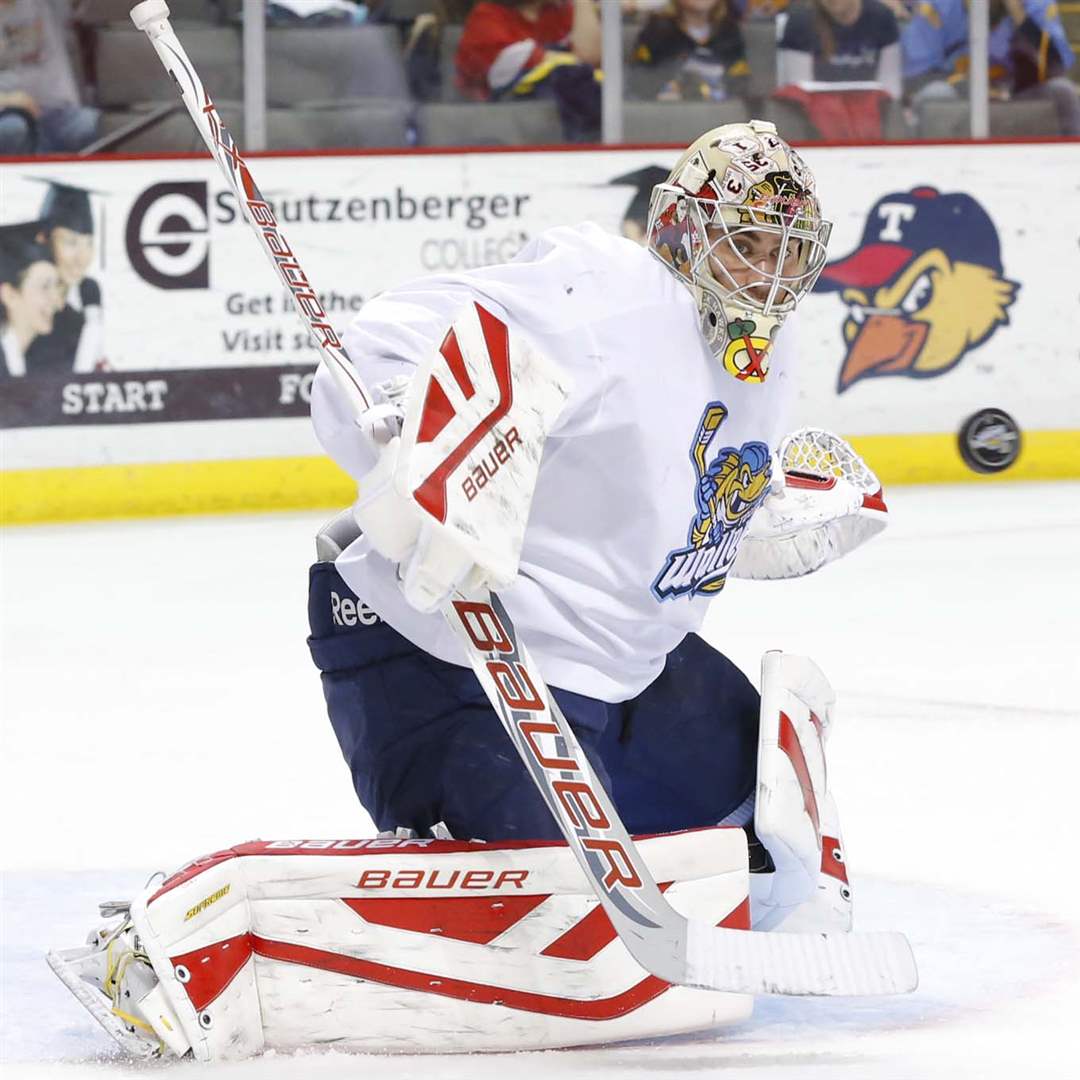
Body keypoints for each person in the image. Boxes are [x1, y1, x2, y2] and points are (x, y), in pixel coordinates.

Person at [306, 121, 881, 855]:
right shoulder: (614, 292)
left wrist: (748, 518)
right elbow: (379, 343)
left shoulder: (770, 343)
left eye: (787, 252)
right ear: (684, 230)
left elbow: (669, 474)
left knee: (768, 848)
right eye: (745, 244)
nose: (767, 277)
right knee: (542, 899)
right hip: (450, 659)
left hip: (633, 670)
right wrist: (414, 431)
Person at [901, 0, 1080, 136]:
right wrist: (972, 89)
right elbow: (916, 77)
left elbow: (1056, 67)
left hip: (1018, 100)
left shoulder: (1036, 4)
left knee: (1063, 92)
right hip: (959, 103)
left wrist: (1020, 16)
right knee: (934, 95)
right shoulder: (938, 7)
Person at [455, 0, 602, 139]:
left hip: (574, 131)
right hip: (504, 130)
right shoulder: (487, 15)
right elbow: (501, 65)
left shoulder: (559, 12)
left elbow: (591, 57)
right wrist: (564, 59)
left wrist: (583, 3)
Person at [0, 0, 100, 156]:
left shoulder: (46, 5)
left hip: (60, 113)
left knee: (91, 123)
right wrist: (7, 100)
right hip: (9, 116)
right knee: (13, 130)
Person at [25, 181, 105, 375]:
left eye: (89, 244)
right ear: (43, 240)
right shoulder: (23, 311)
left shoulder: (83, 306)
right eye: (71, 242)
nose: (82, 258)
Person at [630, 0, 751, 103]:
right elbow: (640, 81)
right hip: (669, 112)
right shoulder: (657, 31)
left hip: (719, 113)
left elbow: (740, 81)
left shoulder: (729, 31)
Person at [777, 0, 903, 97]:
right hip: (816, 113)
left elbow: (891, 86)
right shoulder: (800, 21)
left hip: (870, 111)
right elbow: (798, 90)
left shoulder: (882, 18)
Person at [0, 220, 61, 379]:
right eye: (45, 287)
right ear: (10, 295)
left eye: (56, 286)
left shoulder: (26, 361)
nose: (57, 301)